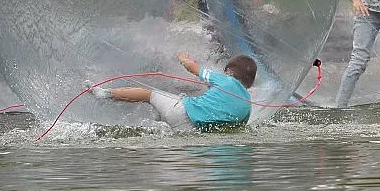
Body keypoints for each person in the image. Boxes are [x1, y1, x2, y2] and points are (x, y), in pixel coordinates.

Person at [89, 52, 257, 132]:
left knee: (149, 95)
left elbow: (193, 68)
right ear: (249, 83)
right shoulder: (248, 105)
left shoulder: (225, 79)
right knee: (179, 101)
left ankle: (104, 93)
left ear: (229, 71)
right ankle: (159, 120)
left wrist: (183, 58)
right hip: (192, 131)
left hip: (180, 112)